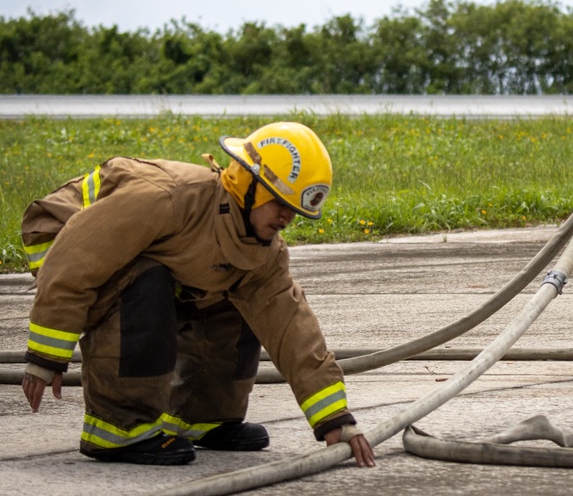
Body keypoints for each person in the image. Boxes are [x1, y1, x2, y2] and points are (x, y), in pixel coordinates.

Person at [19, 121, 376, 467]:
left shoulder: (260, 251)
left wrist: (334, 419)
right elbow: (77, 260)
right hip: (61, 239)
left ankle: (199, 417)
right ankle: (119, 427)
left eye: (294, 211)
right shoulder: (170, 198)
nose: (286, 217)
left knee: (236, 293)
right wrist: (45, 356)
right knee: (148, 279)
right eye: (280, 203)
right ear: (248, 186)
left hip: (113, 255)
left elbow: (290, 327)